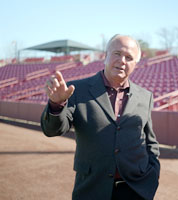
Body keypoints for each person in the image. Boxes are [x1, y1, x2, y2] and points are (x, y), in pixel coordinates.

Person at [40, 34, 160, 200]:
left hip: (135, 190)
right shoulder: (77, 90)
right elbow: (52, 130)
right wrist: (56, 105)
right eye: (117, 53)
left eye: (129, 57)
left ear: (135, 63)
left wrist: (153, 175)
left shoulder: (145, 96)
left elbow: (149, 141)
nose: (122, 61)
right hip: (91, 189)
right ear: (106, 55)